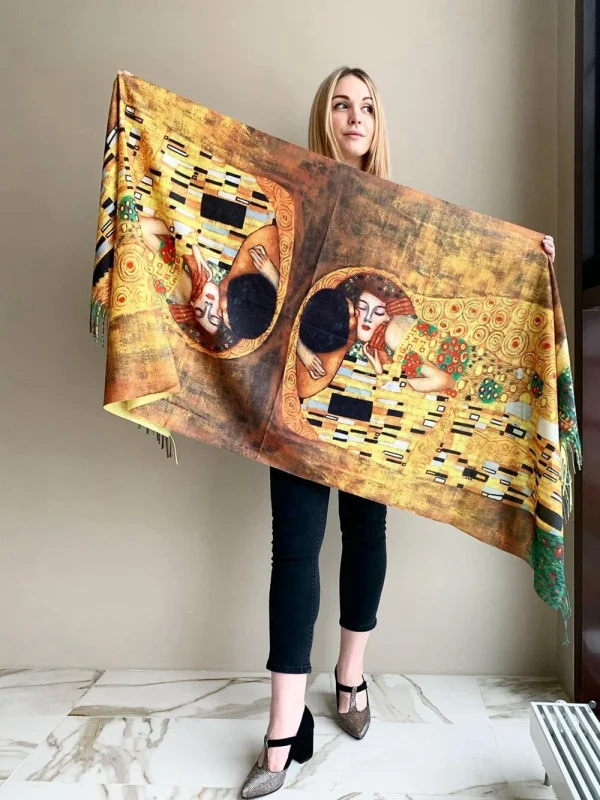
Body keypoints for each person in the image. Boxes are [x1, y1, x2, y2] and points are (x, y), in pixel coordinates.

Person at [117, 69, 556, 798]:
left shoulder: (401, 214)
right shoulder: (295, 185)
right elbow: (238, 251)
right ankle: (282, 729)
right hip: (293, 402)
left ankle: (351, 678)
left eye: (367, 106)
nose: (355, 116)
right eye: (342, 105)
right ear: (325, 117)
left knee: (365, 535)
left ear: (378, 123)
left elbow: (453, 278)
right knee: (293, 550)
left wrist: (524, 256)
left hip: (371, 416)